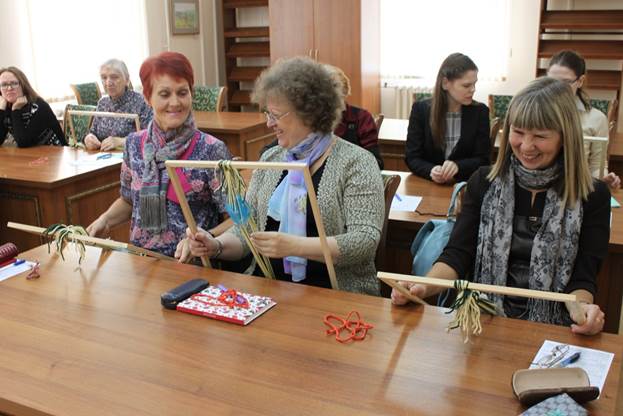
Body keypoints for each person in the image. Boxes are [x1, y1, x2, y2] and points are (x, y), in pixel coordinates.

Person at [393, 77, 610, 335]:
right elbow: (458, 255)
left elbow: (583, 279)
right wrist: (421, 286)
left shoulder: (593, 196)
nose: (526, 146)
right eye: (518, 132)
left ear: (565, 137)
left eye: (540, 136)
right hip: (483, 322)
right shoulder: (483, 183)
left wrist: (583, 309)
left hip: (554, 331)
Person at [180, 57, 385, 295]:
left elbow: (365, 242)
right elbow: (247, 229)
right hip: (268, 290)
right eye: (267, 113)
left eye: (275, 115)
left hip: (336, 297)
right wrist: (215, 245)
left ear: (310, 113)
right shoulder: (270, 159)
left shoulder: (357, 162)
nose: (268, 124)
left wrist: (296, 246)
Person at [86, 52, 231, 257]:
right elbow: (128, 200)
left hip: (191, 267)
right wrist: (105, 220)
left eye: (182, 93)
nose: (175, 103)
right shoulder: (134, 144)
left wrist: (205, 239)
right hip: (141, 262)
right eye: (164, 94)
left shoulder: (211, 150)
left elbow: (239, 219)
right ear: (148, 98)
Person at [259, 64, 383, 169]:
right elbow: (270, 151)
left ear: (344, 94)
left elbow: (376, 163)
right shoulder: (308, 120)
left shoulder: (360, 118)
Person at [405, 53, 490, 184]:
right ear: (445, 83)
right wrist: (431, 170)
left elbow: (483, 159)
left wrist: (458, 166)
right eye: (466, 86)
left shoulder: (480, 112)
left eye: (474, 84)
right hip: (429, 186)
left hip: (464, 186)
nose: (473, 90)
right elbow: (412, 158)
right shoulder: (420, 110)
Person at [547, 50, 620, 190]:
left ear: (580, 81)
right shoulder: (536, 111)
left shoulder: (597, 119)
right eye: (551, 81)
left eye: (565, 83)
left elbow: (597, 164)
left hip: (575, 189)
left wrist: (602, 179)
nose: (556, 89)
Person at [84, 59, 153, 151]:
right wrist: (88, 138)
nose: (108, 82)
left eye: (114, 77)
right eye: (104, 78)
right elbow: (93, 131)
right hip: (103, 158)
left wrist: (122, 141)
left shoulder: (141, 101)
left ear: (127, 79)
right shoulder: (102, 103)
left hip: (132, 160)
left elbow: (151, 136)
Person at [0, 66, 66, 147]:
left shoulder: (38, 106)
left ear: (23, 85)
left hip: (56, 154)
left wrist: (15, 110)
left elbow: (24, 142)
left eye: (14, 83)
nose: (9, 88)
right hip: (31, 156)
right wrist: (1, 111)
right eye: (4, 85)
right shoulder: (6, 107)